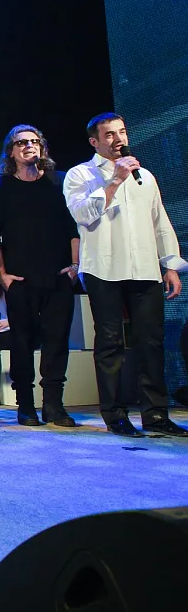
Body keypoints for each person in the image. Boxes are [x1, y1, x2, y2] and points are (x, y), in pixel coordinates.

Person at [63, 112, 188, 437]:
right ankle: (115, 415)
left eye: (121, 132)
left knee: (151, 342)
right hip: (104, 269)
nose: (118, 139)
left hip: (144, 268)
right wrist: (115, 180)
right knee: (110, 343)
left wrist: (170, 265)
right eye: (109, 134)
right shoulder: (80, 174)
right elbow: (83, 215)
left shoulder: (144, 176)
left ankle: (156, 414)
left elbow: (160, 221)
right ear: (94, 142)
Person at [0, 125, 80, 426]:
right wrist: (1, 274)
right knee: (22, 342)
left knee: (57, 340)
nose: (29, 146)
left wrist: (75, 266)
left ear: (42, 147)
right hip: (19, 278)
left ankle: (54, 405)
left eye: (34, 141)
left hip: (58, 275)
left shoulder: (58, 181)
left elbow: (73, 227)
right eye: (21, 142)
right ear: (10, 151)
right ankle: (25, 404)